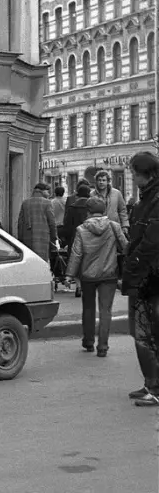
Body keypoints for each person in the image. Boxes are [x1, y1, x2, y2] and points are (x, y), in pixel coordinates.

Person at [65, 197, 128, 357]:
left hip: (88, 275)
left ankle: (88, 341)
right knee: (106, 310)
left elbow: (77, 254)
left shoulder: (81, 229)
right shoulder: (114, 226)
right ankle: (103, 347)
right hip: (109, 274)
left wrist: (69, 275)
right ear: (104, 210)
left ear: (88, 212)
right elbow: (126, 247)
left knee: (88, 308)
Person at [121, 151, 159, 407]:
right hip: (145, 275)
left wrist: (132, 264)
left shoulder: (155, 199)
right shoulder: (148, 197)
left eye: (135, 172)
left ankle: (154, 388)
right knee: (144, 332)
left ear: (149, 174)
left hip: (149, 277)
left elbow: (151, 241)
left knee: (145, 333)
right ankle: (150, 383)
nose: (133, 177)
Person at [16, 182, 57, 263]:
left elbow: (20, 223)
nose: (49, 193)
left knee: (30, 262)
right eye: (47, 191)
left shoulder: (25, 203)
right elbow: (52, 223)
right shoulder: (47, 203)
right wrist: (54, 238)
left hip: (27, 238)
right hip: (43, 238)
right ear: (42, 191)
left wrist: (20, 239)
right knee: (42, 262)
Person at [91, 170, 130, 236]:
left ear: (108, 181)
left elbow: (122, 210)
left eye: (103, 180)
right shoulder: (92, 195)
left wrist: (125, 225)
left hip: (114, 228)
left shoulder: (117, 193)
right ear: (96, 181)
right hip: (98, 229)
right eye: (99, 180)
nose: (101, 182)